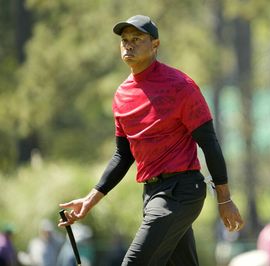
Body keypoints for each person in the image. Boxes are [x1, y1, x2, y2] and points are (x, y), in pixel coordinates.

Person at [58, 14, 244, 265]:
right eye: (124, 40)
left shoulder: (180, 86)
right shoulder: (122, 95)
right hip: (152, 194)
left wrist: (225, 199)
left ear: (155, 45)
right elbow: (123, 156)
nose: (129, 45)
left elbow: (209, 142)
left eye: (137, 39)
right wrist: (90, 201)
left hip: (182, 192)